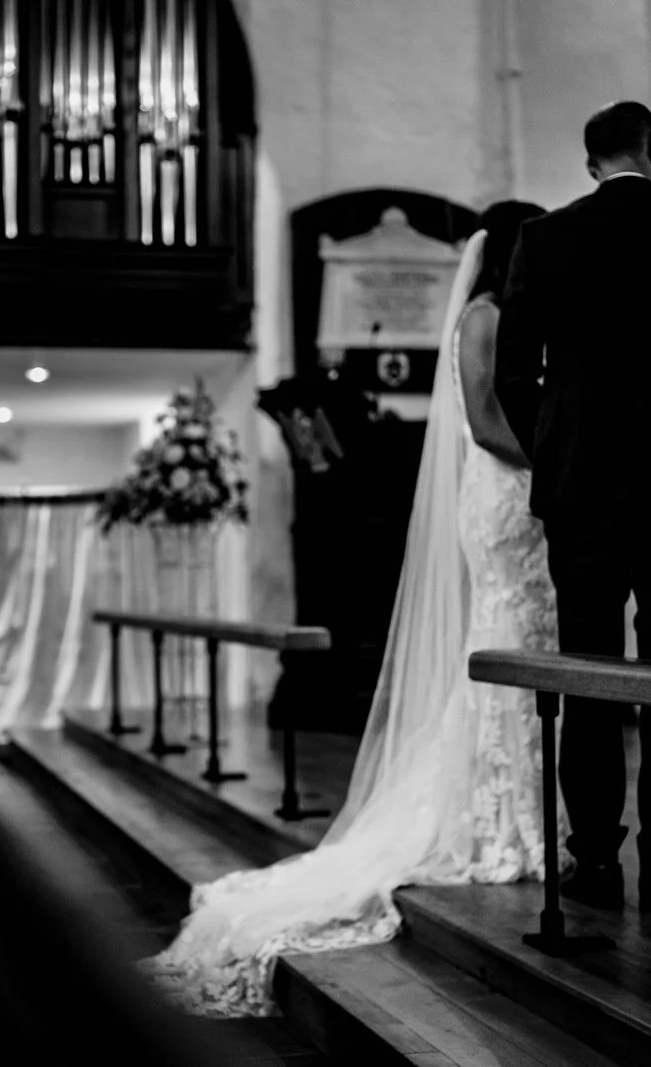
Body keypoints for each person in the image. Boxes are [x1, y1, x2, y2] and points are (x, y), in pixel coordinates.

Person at [142, 202, 558, 1017]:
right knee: (509, 632)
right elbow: (485, 415)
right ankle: (502, 820)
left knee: (521, 636)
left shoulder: (513, 315)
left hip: (517, 490)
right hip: (509, 490)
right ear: (514, 250)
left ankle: (520, 814)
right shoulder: (483, 315)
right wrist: (554, 464)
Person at [495, 101, 651, 911]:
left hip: (583, 495)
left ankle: (595, 861)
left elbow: (512, 376)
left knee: (590, 672)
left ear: (590, 162)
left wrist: (560, 453)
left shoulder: (546, 239)